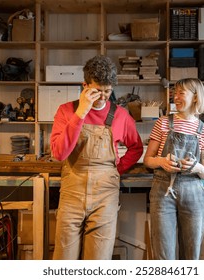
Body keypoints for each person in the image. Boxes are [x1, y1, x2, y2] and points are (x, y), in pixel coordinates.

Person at [50, 55, 143, 260]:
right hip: (72, 191)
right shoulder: (66, 111)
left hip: (105, 195)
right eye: (97, 91)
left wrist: (115, 169)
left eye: (107, 91)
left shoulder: (121, 115)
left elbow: (136, 148)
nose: (102, 97)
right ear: (85, 85)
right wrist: (81, 113)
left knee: (98, 260)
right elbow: (59, 153)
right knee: (64, 259)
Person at [143, 78, 204, 260]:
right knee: (163, 253)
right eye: (175, 93)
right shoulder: (162, 123)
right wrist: (161, 162)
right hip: (162, 190)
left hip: (193, 192)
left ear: (196, 97)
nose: (176, 97)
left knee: (191, 253)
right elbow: (147, 160)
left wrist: (197, 166)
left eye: (181, 93)